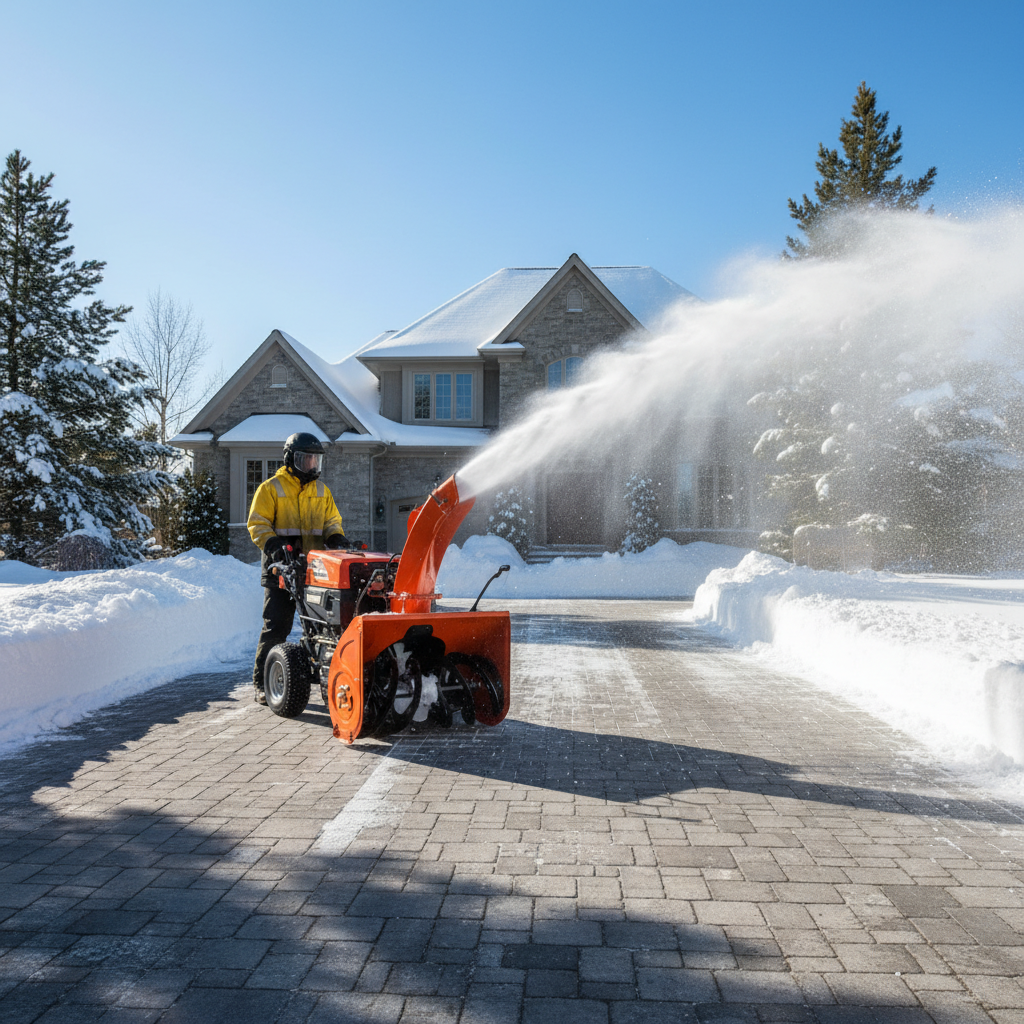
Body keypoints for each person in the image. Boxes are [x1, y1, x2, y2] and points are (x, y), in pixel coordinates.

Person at [247, 431, 348, 703]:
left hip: (315, 571)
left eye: (315, 460)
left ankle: (323, 677)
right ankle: (262, 683)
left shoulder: (321, 490)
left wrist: (335, 536)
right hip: (280, 569)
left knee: (320, 628)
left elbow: (332, 521)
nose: (312, 465)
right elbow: (257, 524)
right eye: (306, 459)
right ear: (291, 459)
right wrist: (273, 546)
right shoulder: (271, 487)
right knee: (277, 626)